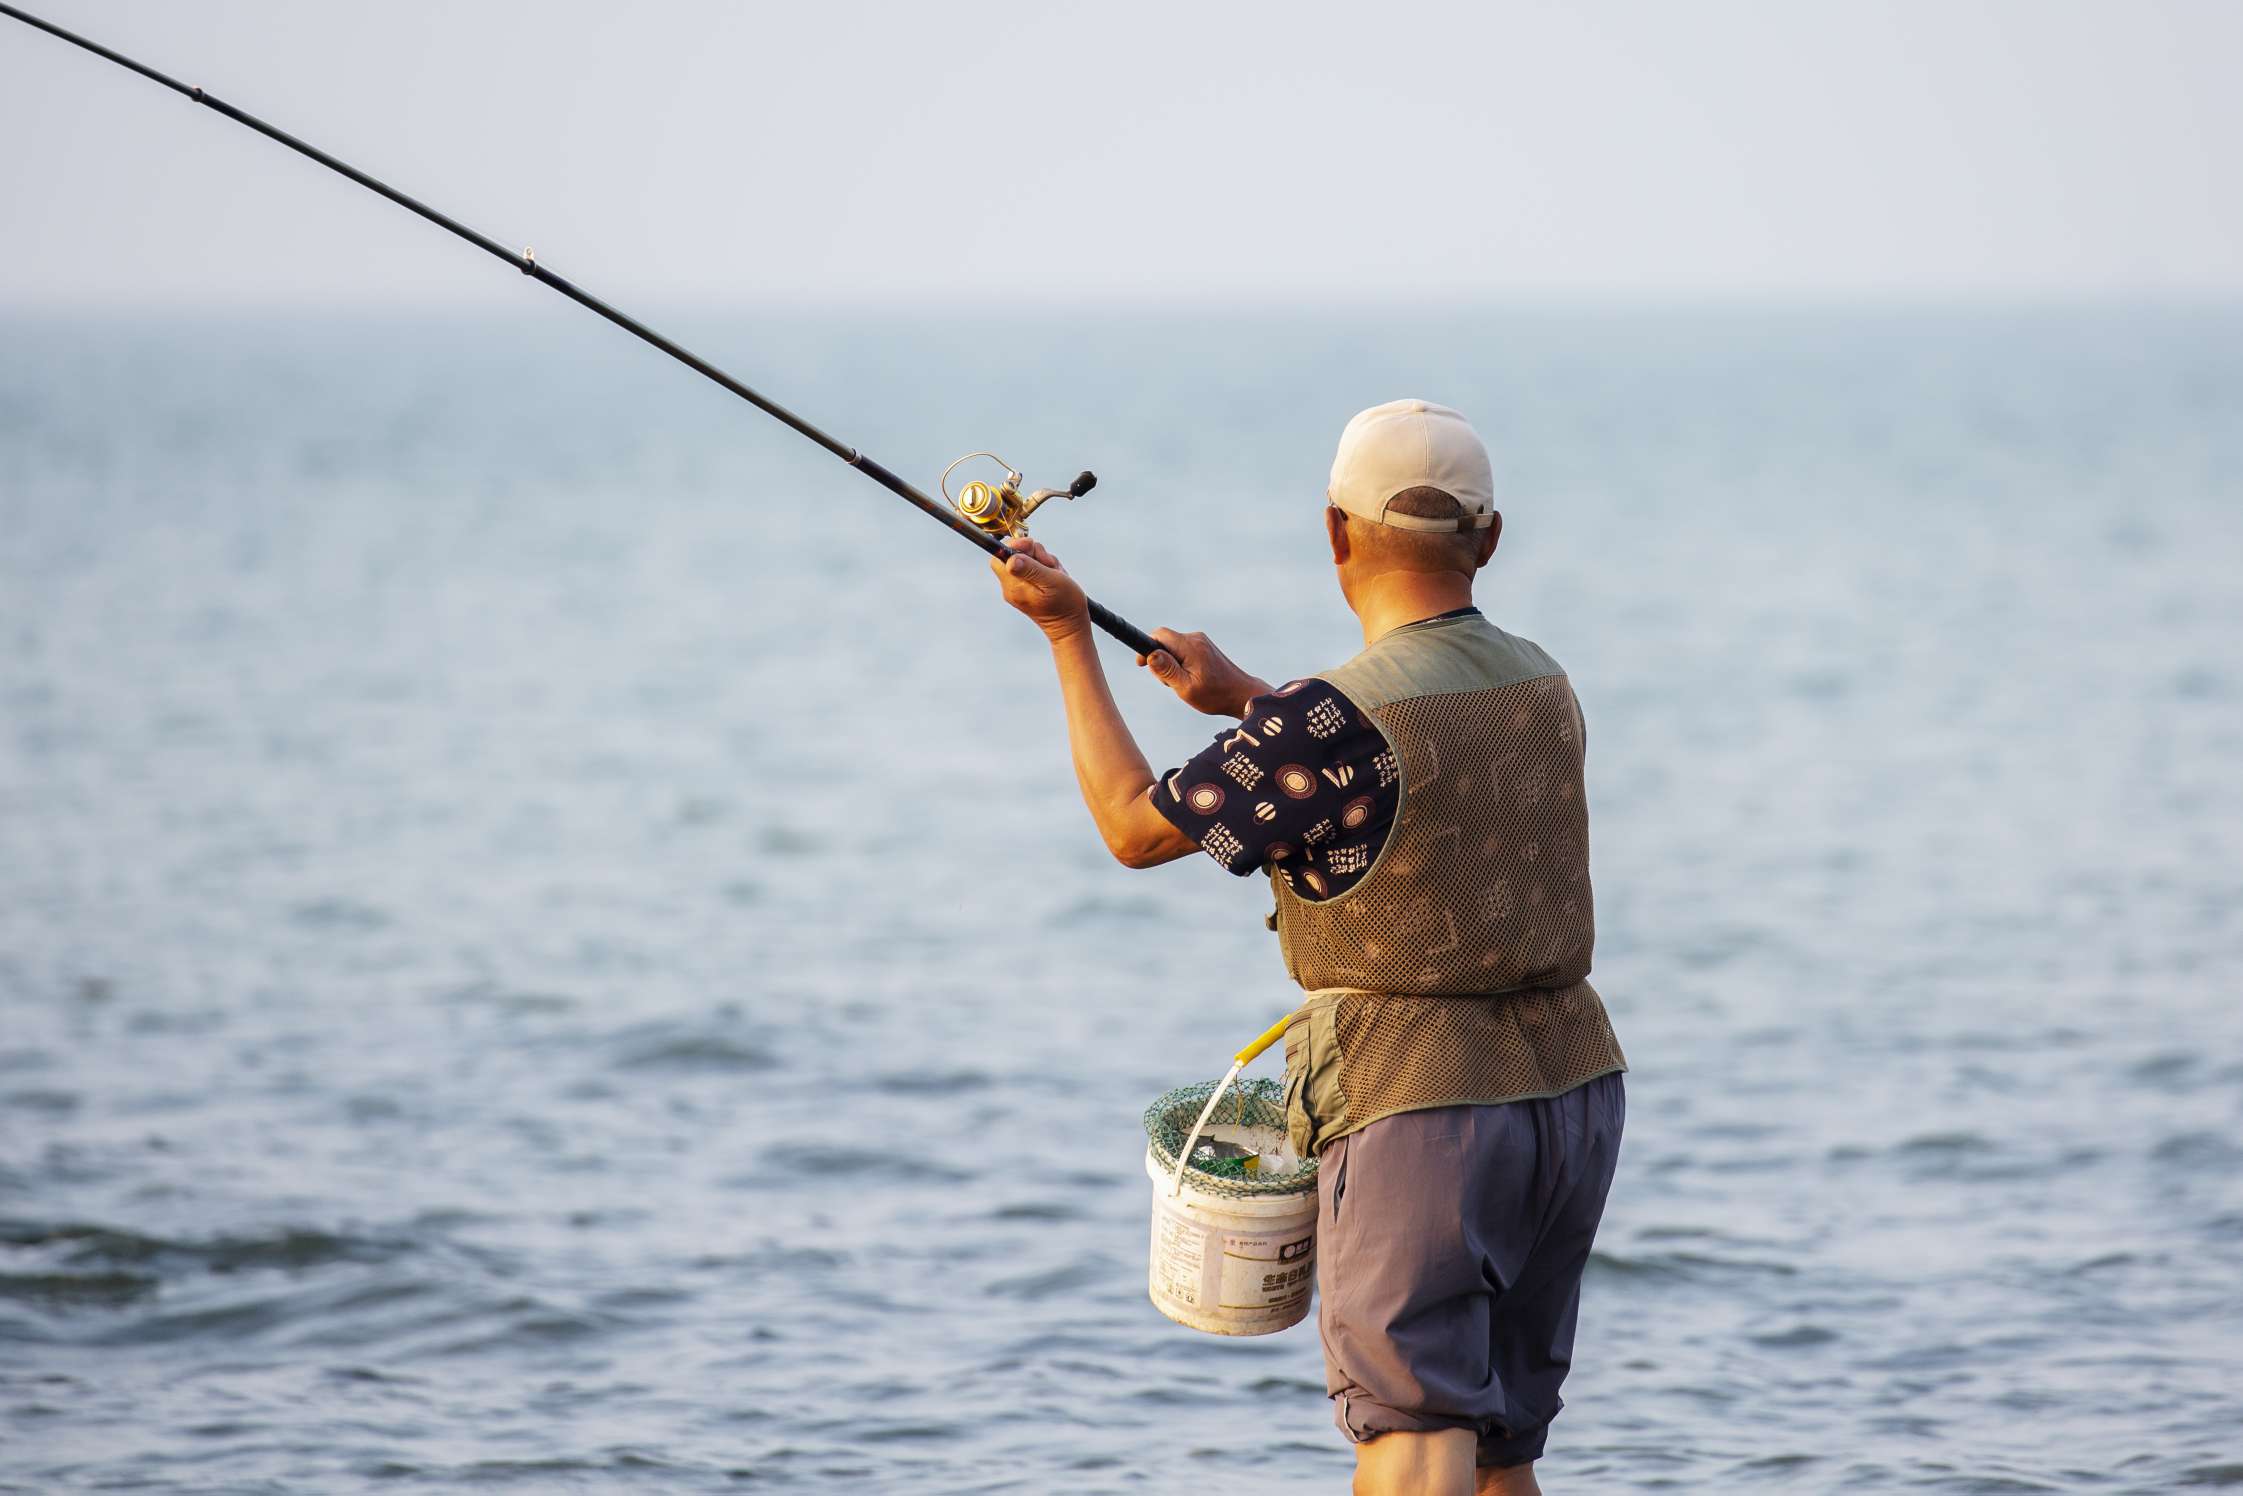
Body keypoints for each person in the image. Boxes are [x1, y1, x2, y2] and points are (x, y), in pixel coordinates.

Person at [991, 399, 1627, 1496]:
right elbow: (1406, 754)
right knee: (1497, 1446)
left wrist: (1063, 634)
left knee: (1412, 1429)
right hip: (1570, 1094)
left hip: (1421, 1103)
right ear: (1489, 538)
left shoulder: (1323, 722)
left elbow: (1134, 826)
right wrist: (1244, 702)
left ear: (1334, 534)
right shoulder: (1540, 677)